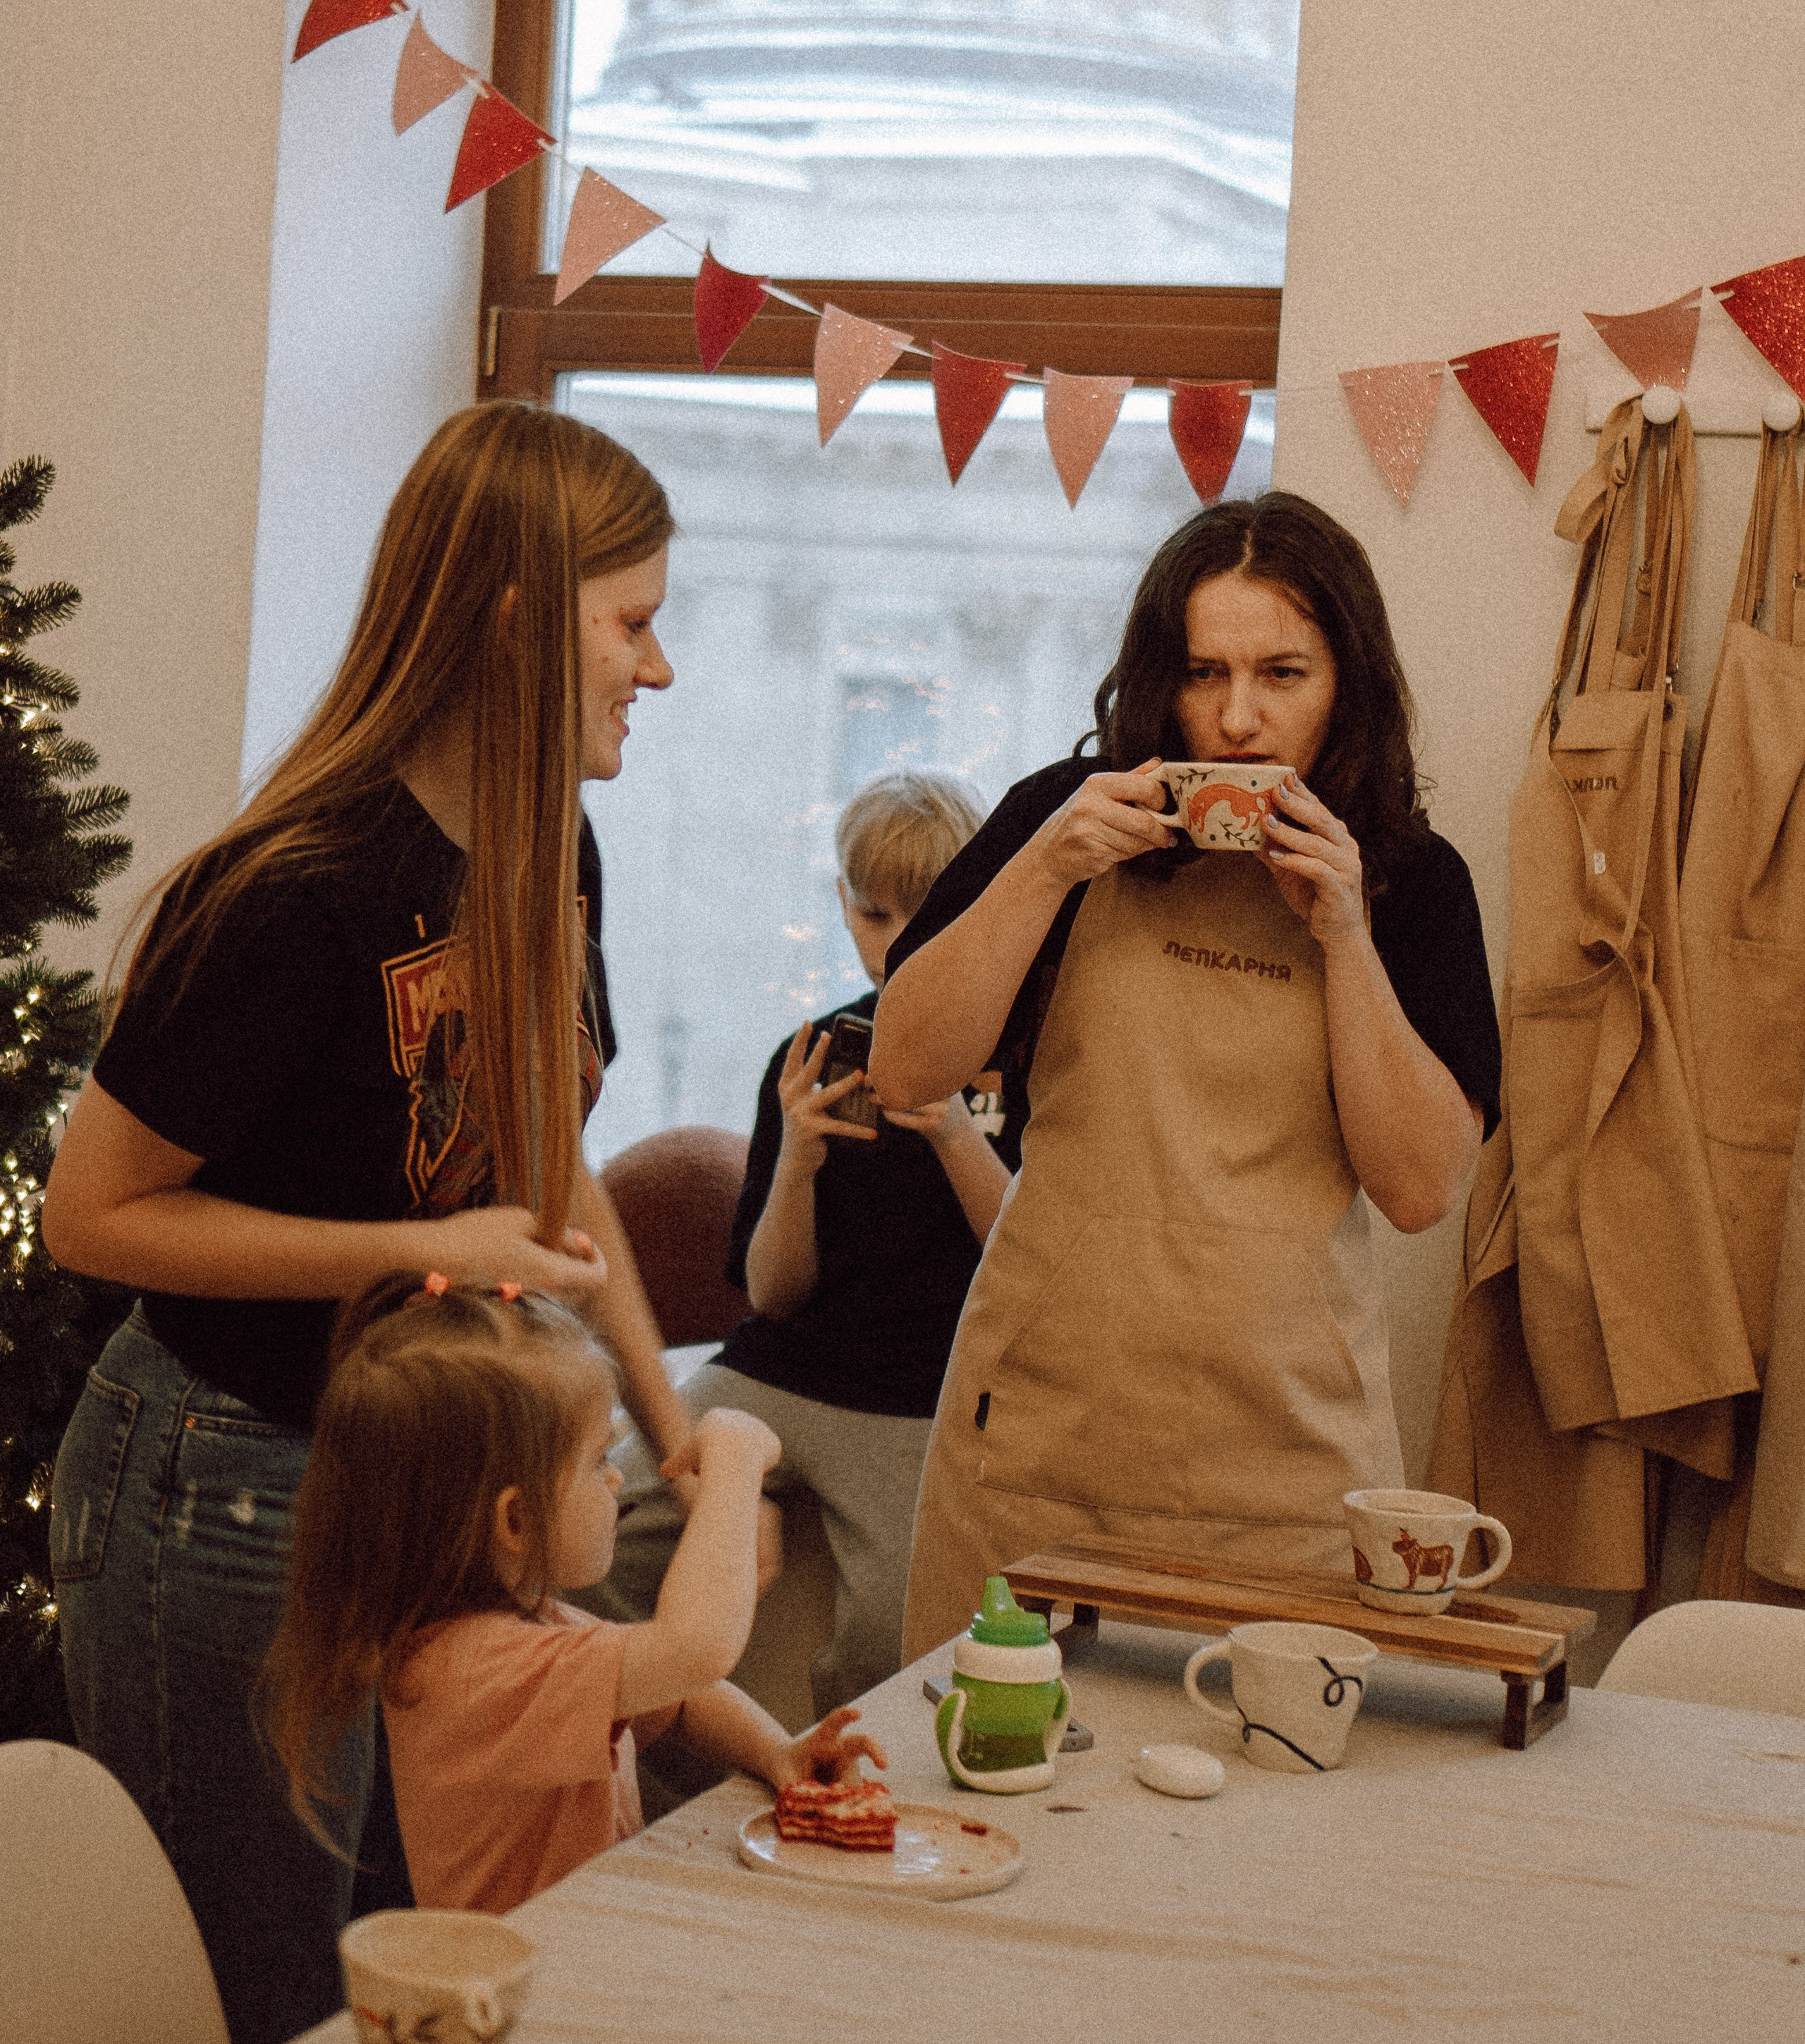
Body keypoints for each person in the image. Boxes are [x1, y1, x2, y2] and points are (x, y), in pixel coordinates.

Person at [42, 403, 721, 2044]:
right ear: (512, 618)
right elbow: (91, 1214)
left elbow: (552, 1170)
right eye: (631, 621)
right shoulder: (297, 888)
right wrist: (417, 1252)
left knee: (426, 1956)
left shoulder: (554, 849)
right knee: (273, 1990)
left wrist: (660, 1415)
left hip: (394, 1485)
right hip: (221, 1478)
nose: (662, 666)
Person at [871, 494, 1503, 1660]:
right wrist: (1048, 866)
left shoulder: (1411, 881)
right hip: (1037, 1446)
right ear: (1158, 682)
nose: (1237, 721)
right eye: (1204, 673)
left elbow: (1420, 1189)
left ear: (1347, 687)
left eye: (1283, 674)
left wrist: (1346, 938)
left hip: (1288, 1467)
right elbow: (905, 1066)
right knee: (988, 1772)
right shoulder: (1056, 825)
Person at [260, 1273, 884, 1914]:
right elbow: (695, 1647)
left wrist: (777, 1753)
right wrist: (735, 1459)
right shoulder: (484, 1672)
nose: (615, 1478)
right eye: (597, 1461)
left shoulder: (523, 1625)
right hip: (527, 1989)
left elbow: (682, 1693)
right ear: (517, 1521)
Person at [594, 770, 1013, 1723]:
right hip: (783, 1369)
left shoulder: (1019, 1052)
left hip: (922, 1396)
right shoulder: (818, 1049)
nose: (895, 942)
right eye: (872, 914)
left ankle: (836, 1797)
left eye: (928, 915)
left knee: (896, 1648)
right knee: (599, 1547)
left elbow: (1024, 1260)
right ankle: (660, 1793)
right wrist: (795, 1162)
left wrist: (953, 1131)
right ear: (842, 905)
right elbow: (773, 1296)